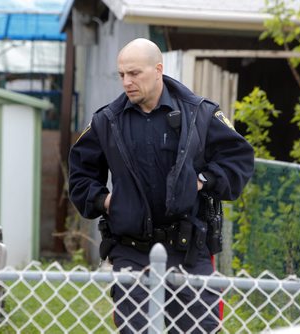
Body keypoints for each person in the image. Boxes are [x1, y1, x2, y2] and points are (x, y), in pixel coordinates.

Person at [68, 38, 254, 333]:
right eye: (122, 75)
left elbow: (238, 160)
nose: (127, 82)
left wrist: (202, 181)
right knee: (138, 329)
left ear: (158, 70)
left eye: (134, 73)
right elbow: (80, 175)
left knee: (201, 328)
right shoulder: (107, 121)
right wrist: (106, 202)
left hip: (191, 248)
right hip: (131, 250)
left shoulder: (200, 114)